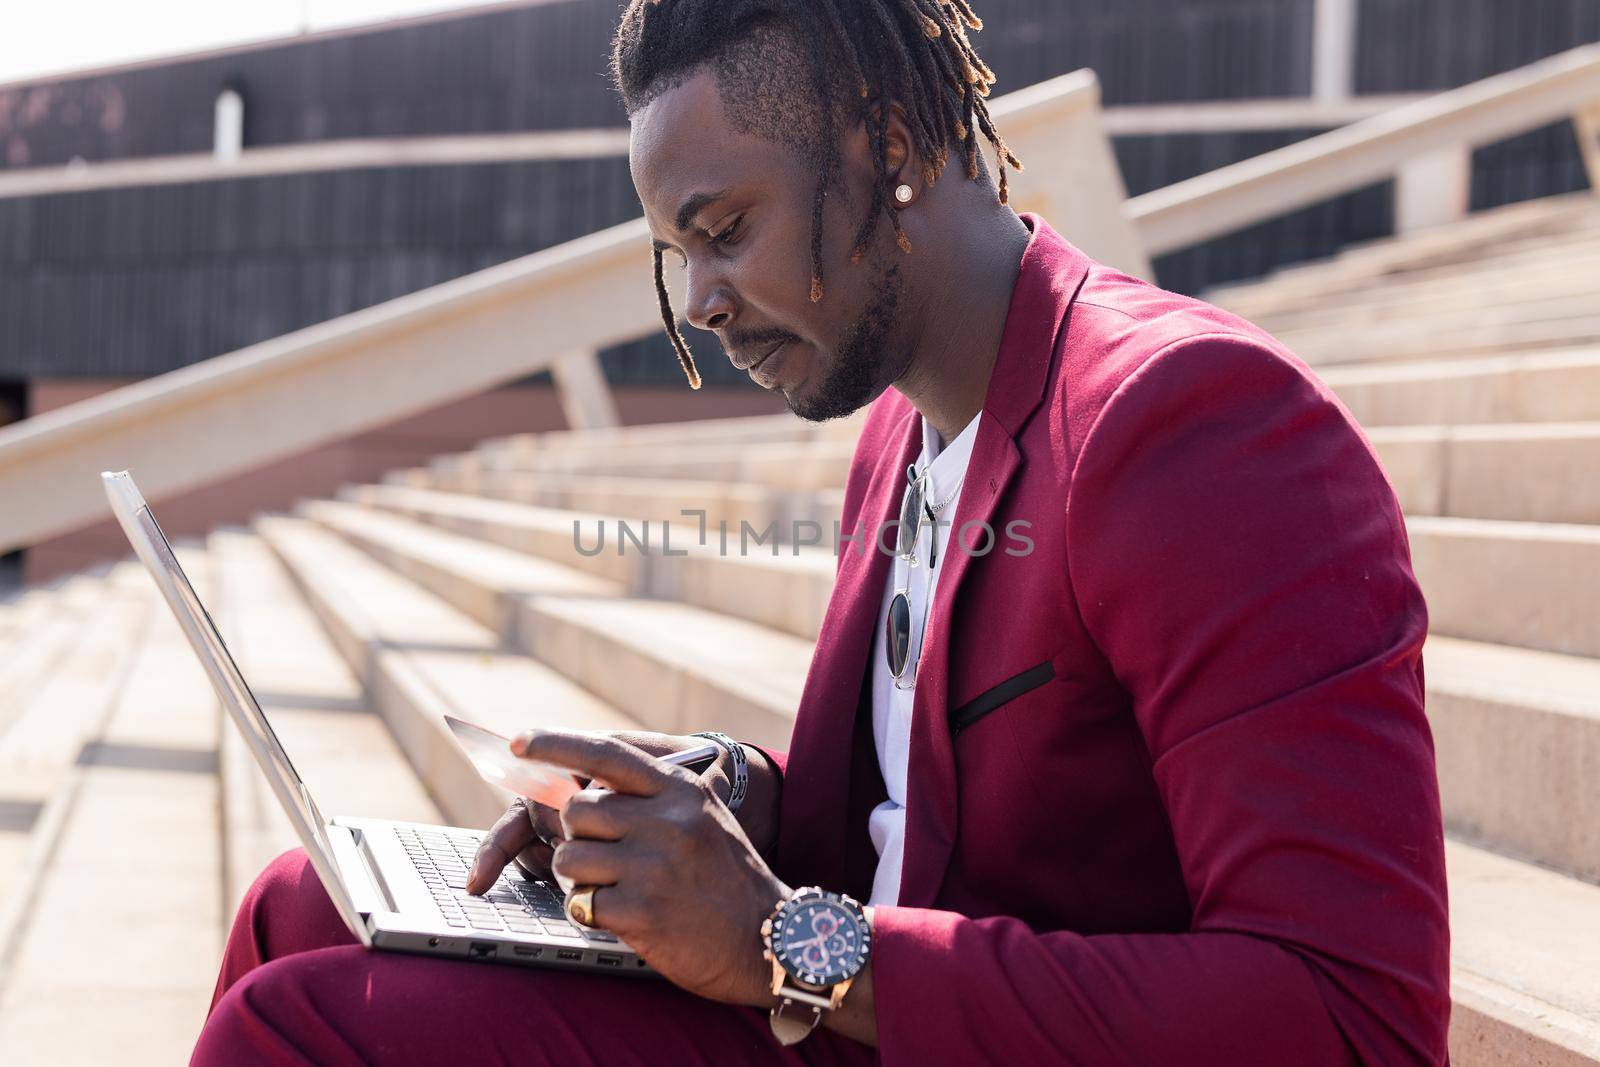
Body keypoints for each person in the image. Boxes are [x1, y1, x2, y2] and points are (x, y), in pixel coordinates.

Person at [193, 1, 1451, 1063]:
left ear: (891, 141)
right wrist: (711, 801)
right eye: (677, 253)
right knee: (297, 907)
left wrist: (782, 937)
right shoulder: (896, 432)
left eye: (724, 231)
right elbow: (928, 832)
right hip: (867, 1014)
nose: (699, 302)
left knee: (300, 1026)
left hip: (909, 1021)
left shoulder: (1187, 425)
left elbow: (1350, 1013)